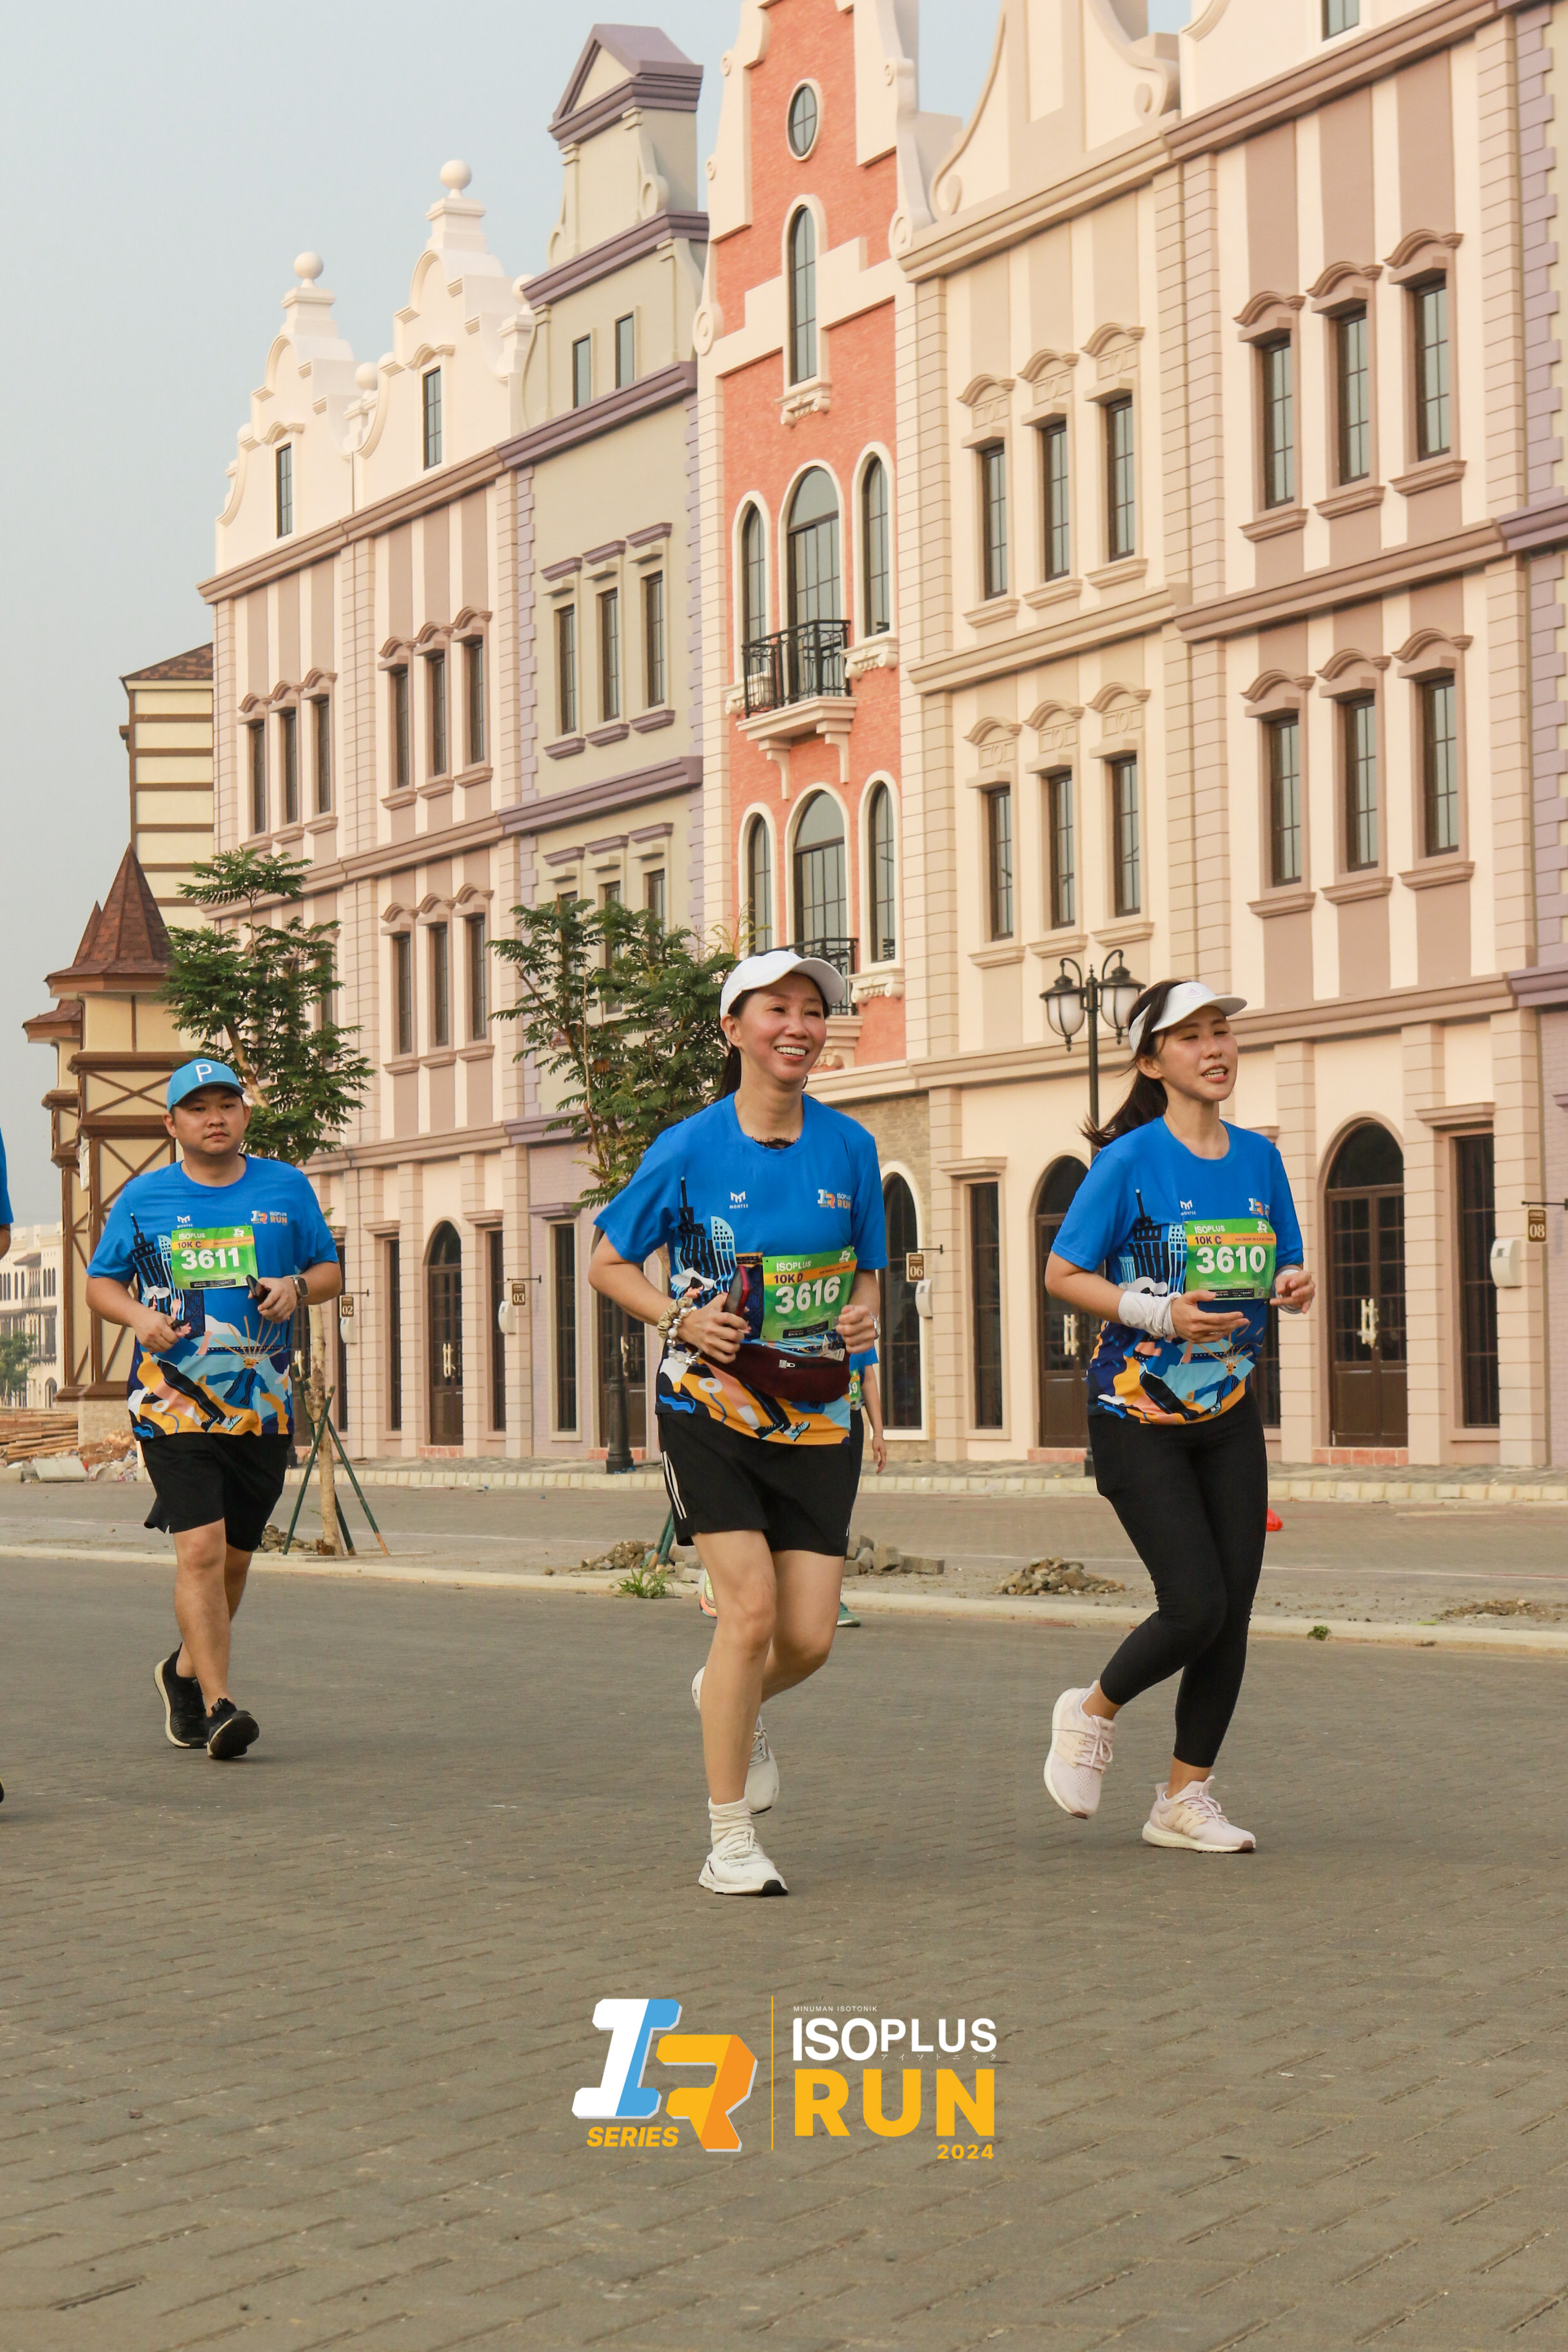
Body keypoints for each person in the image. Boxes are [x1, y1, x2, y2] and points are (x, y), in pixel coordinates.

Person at [589, 950, 885, 1896]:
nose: (798, 1027)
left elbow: (867, 1274)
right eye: (777, 1010)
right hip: (708, 1408)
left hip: (818, 1413)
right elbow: (606, 1262)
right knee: (748, 1610)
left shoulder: (851, 1148)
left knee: (809, 1638)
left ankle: (727, 1690)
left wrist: (863, 1322)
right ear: (734, 1029)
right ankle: (729, 1841)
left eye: (812, 1012)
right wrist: (677, 1318)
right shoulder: (687, 1148)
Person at [1041, 981, 1315, 1853]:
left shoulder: (1259, 1158)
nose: (1214, 1048)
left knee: (1230, 1615)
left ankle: (1183, 1800)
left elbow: (1285, 1265)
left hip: (1228, 1412)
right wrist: (1158, 1313)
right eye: (1190, 1036)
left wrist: (1291, 1285)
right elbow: (1062, 1274)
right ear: (1152, 1062)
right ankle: (1091, 1711)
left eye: (1221, 1031)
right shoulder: (1128, 1162)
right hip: (1136, 1416)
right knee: (1194, 1604)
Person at [84, 1061, 342, 1760]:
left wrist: (296, 1288)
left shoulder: (285, 1186)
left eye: (226, 1104)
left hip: (261, 1401)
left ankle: (181, 1669)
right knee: (198, 1550)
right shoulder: (145, 1197)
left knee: (233, 1560)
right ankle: (219, 1705)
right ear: (172, 1124)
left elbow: (328, 1271)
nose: (214, 1118)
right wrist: (139, 1317)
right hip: (170, 1400)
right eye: (197, 1109)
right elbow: (102, 1283)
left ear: (245, 1115)